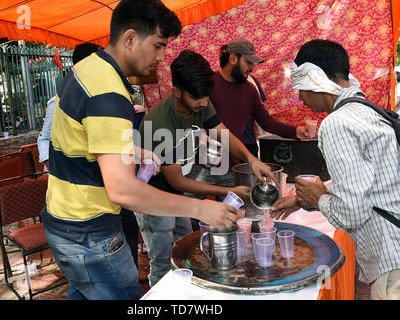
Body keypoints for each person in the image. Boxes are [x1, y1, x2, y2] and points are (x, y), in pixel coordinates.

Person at [41, 0, 239, 300]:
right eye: (158, 46)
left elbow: (82, 138)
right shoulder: (108, 92)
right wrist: (202, 207)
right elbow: (122, 190)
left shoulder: (87, 69)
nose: (161, 57)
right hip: (90, 232)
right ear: (130, 38)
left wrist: (132, 148)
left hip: (65, 223)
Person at [269, 39, 400, 300]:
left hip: (392, 262)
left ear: (313, 78)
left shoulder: (336, 123)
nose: (300, 98)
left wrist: (319, 199)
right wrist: (302, 200)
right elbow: (368, 183)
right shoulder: (368, 111)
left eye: (299, 87)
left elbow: (352, 212)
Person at [135, 49, 276, 287]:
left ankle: (184, 295)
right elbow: (177, 181)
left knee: (183, 249)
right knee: (162, 261)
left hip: (174, 195)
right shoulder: (159, 124)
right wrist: (224, 192)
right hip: (153, 197)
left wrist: (252, 160)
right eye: (197, 98)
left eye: (206, 97)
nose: (203, 103)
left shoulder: (201, 101)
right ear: (177, 91)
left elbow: (222, 133)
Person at [36, 42, 142, 269]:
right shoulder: (61, 101)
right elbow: (45, 139)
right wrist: (60, 168)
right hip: (86, 204)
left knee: (128, 232)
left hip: (112, 189)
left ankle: (129, 267)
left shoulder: (106, 94)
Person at [186, 39, 309, 193]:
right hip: (199, 165)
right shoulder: (207, 85)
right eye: (249, 61)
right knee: (193, 211)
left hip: (231, 167)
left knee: (233, 212)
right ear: (233, 59)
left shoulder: (250, 90)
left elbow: (266, 121)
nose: (252, 66)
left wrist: (294, 131)